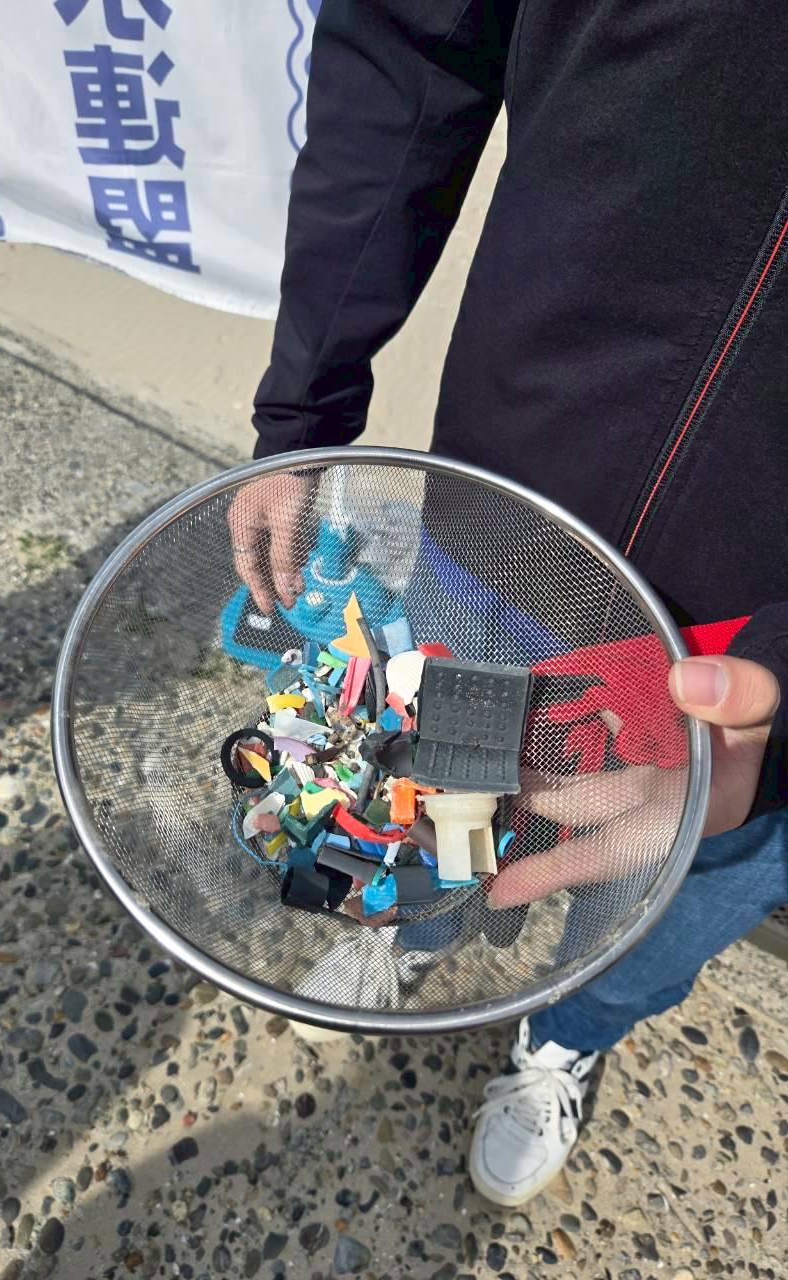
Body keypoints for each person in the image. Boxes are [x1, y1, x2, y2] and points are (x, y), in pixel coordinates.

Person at [228, 0, 788, 1206]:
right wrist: (302, 411)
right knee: (433, 780)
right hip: (511, 497)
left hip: (759, 643)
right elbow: (411, 47)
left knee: (677, 894)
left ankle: (569, 1032)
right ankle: (412, 921)